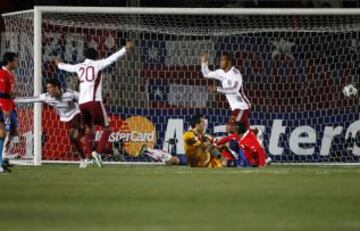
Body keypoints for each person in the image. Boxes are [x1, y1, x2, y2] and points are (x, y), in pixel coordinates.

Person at [54, 41, 134, 167]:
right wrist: (125, 49)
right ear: (96, 57)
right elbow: (112, 58)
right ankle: (97, 153)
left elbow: (66, 67)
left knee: (88, 130)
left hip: (82, 104)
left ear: (85, 57)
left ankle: (89, 157)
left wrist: (58, 64)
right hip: (94, 102)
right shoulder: (97, 64)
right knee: (107, 129)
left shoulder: (79, 66)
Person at [15, 79, 93, 168]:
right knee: (76, 138)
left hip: (76, 114)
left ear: (57, 88)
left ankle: (85, 157)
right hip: (65, 118)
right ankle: (87, 156)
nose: (48, 90)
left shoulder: (70, 94)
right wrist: (13, 100)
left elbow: (85, 100)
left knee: (72, 135)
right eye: (47, 88)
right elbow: (31, 99)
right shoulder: (46, 97)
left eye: (50, 87)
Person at [200, 52, 251, 133]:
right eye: (220, 60)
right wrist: (204, 62)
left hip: (242, 107)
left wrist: (217, 89)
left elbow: (234, 89)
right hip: (236, 108)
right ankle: (256, 133)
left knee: (230, 129)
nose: (220, 62)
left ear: (229, 62)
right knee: (245, 134)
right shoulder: (220, 72)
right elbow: (206, 74)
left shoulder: (235, 73)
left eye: (223, 60)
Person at [0, 52, 18, 173]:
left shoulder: (10, 74)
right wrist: (4, 108)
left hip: (11, 107)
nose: (17, 62)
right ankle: (1, 162)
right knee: (2, 133)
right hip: (4, 107)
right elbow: (1, 93)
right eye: (15, 60)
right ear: (9, 61)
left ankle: (4, 157)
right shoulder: (2, 73)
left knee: (14, 131)